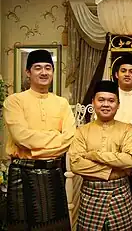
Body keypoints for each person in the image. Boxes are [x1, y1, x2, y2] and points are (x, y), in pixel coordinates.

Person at [3, 49, 75, 230]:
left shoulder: (62, 103)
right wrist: (55, 138)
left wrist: (35, 148)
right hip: (22, 173)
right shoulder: (14, 101)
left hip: (53, 173)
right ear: (28, 72)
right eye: (37, 68)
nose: (44, 72)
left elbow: (69, 138)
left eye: (48, 68)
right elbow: (21, 138)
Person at [69, 80, 132, 231]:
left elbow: (129, 160)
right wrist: (112, 171)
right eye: (101, 100)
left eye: (111, 100)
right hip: (90, 195)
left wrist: (94, 155)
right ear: (93, 102)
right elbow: (76, 164)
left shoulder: (127, 130)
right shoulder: (82, 131)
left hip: (120, 195)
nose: (106, 104)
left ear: (118, 104)